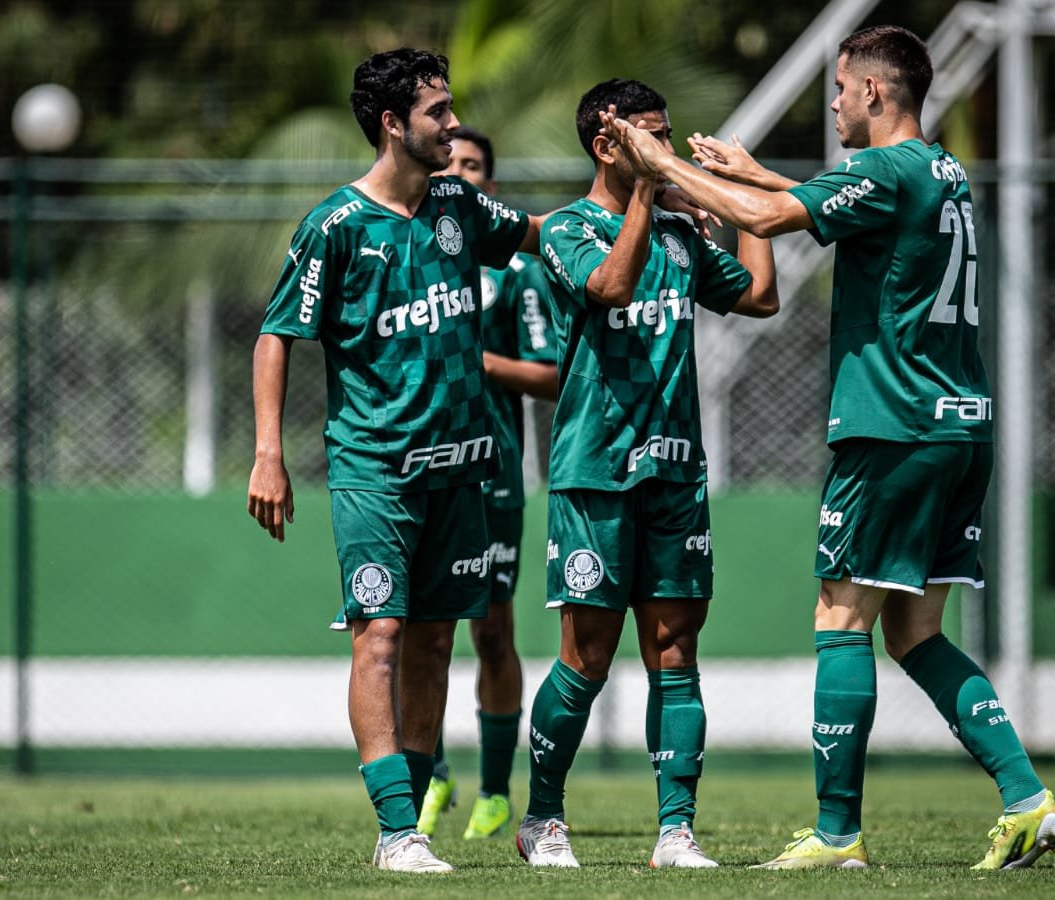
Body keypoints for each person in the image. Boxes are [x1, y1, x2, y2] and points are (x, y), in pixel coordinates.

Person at [605, 25, 1055, 870]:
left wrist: (660, 162)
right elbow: (825, 206)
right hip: (959, 427)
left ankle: (835, 833)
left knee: (840, 618)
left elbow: (771, 220)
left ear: (875, 92)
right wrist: (752, 174)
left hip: (893, 427)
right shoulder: (941, 171)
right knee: (915, 633)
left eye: (841, 87)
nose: (833, 104)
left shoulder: (885, 170)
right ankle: (1027, 797)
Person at [247, 48, 543, 874]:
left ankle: (409, 827)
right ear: (391, 124)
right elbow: (276, 335)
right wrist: (268, 454)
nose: (454, 124)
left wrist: (636, 202)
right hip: (375, 470)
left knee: (434, 645)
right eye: (438, 112)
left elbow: (537, 234)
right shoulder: (336, 225)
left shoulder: (457, 202)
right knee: (379, 635)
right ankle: (396, 831)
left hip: (463, 470)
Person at [513, 78, 780, 870]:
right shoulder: (567, 229)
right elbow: (610, 287)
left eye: (667, 134)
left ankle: (676, 831)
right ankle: (542, 818)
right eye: (651, 136)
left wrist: (747, 200)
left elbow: (761, 296)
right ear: (608, 145)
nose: (666, 146)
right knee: (587, 657)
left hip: (674, 474)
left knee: (676, 650)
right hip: (595, 475)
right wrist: (650, 190)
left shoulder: (680, 235)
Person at [416, 125, 560, 841]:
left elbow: (552, 373)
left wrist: (479, 360)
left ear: (491, 188)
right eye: (450, 163)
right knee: (417, 631)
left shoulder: (518, 272)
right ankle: (431, 773)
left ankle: (497, 792)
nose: (459, 174)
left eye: (472, 166)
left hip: (495, 473)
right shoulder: (411, 252)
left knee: (492, 632)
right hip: (419, 466)